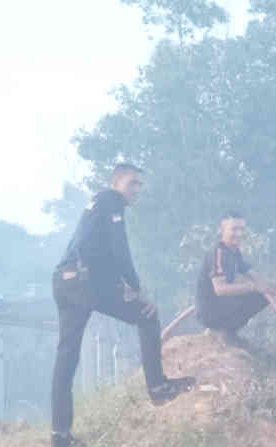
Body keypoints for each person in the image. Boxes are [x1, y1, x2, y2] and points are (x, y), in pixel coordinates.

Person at [50, 163, 195, 447]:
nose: (136, 189)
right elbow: (119, 250)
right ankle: (158, 388)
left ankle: (60, 436)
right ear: (116, 183)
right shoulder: (112, 201)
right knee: (147, 315)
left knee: (66, 358)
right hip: (83, 284)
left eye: (139, 184)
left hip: (64, 280)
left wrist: (120, 286)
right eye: (132, 183)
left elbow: (97, 253)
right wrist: (136, 289)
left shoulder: (96, 204)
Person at [195, 211, 276, 347]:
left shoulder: (234, 251)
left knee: (263, 294)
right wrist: (254, 287)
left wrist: (275, 287)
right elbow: (220, 289)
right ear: (222, 230)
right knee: (257, 293)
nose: (239, 234)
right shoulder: (218, 253)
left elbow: (250, 273)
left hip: (222, 304)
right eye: (234, 229)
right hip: (210, 310)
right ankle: (221, 330)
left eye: (242, 229)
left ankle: (228, 331)